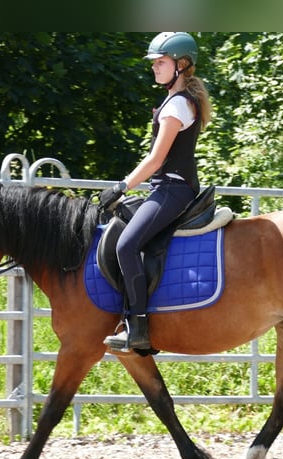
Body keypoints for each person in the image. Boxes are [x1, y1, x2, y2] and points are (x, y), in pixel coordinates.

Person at [100, 31, 212, 351]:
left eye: (160, 62)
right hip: (168, 188)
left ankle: (138, 327)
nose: (154, 67)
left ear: (181, 65)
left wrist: (121, 187)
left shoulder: (177, 105)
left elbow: (156, 159)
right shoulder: (177, 100)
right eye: (154, 63)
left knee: (126, 245)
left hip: (172, 190)